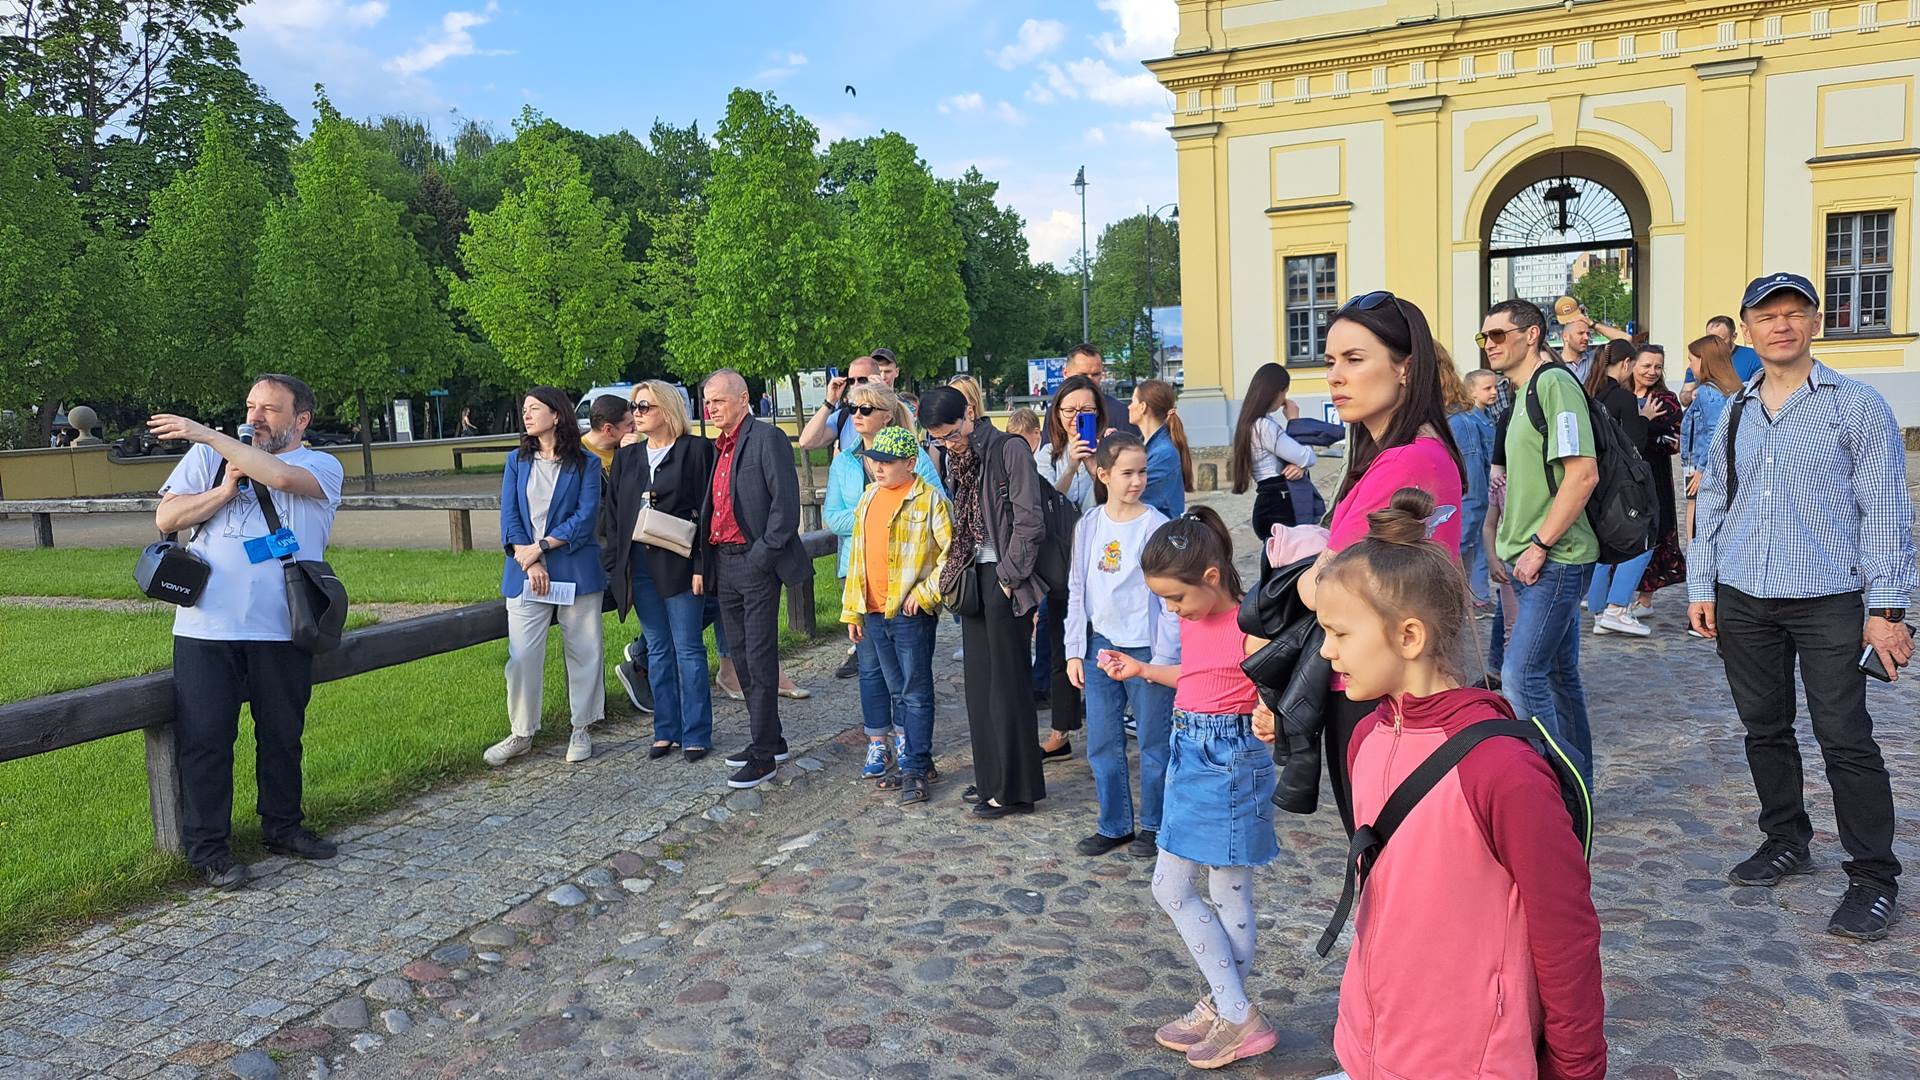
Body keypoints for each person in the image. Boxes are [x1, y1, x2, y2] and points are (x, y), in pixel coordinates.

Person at [1298, 488, 1606, 1080]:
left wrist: (1575, 1067)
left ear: (1408, 636)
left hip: (1467, 1057)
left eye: (1338, 633)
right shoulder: (1366, 738)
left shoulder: (1500, 769)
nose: (1327, 653)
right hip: (1371, 1039)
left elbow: (1564, 929)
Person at [1688, 272, 1916, 941]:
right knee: (1765, 728)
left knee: (1846, 738)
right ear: (1748, 331)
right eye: (1768, 317)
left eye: (1795, 313)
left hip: (1829, 598)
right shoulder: (1735, 411)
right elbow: (1716, 502)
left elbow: (1885, 511)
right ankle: (1786, 839)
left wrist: (1888, 608)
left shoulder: (1857, 405)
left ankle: (1873, 878)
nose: (1781, 326)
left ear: (1815, 323)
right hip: (1744, 595)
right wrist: (1703, 584)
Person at [148, 374, 345, 890]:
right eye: (251, 405)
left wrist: (208, 434)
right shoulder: (208, 460)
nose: (255, 416)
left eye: (270, 409)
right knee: (207, 740)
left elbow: (279, 479)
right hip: (205, 627)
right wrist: (221, 490)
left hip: (282, 628)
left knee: (281, 735)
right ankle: (209, 850)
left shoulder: (320, 465)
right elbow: (166, 516)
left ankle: (283, 827)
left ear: (300, 420)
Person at [1100, 508, 1277, 1069]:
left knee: (1211, 891)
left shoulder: (1250, 627)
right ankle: (1228, 1006)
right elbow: (1201, 677)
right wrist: (1144, 670)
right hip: (1190, 751)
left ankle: (1237, 1014)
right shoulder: (1195, 621)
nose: (1170, 610)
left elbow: (1274, 684)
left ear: (1211, 577)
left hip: (1228, 760)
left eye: (1175, 599)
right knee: (1187, 888)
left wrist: (1269, 712)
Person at [1293, 291, 1466, 834]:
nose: (1335, 377)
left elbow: (1324, 588)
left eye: (1354, 359)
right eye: (1329, 361)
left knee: (1382, 848)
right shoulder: (1409, 451)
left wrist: (1304, 570)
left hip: (1378, 685)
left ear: (1405, 370)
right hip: (1390, 675)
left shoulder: (1405, 460)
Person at [1480, 298, 1600, 790]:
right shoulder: (1521, 392)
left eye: (1498, 335)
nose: (1489, 345)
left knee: (1520, 677)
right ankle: (1580, 787)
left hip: (1555, 559)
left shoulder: (1552, 384)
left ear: (1531, 335)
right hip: (1533, 559)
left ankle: (1554, 788)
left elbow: (1582, 474)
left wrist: (1539, 544)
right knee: (1557, 675)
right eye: (1483, 338)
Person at [921, 385, 1049, 818]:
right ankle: (991, 778)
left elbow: (1030, 521)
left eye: (951, 433)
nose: (947, 443)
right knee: (980, 687)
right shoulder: (958, 457)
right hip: (973, 574)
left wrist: (1010, 579)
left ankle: (1016, 790)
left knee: (1008, 688)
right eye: (937, 439)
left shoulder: (1008, 449)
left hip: (1004, 575)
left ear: (970, 413)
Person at [700, 369, 815, 789]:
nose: (711, 409)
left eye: (718, 401)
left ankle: (764, 754)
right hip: (723, 562)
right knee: (741, 657)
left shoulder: (766, 439)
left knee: (760, 658)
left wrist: (761, 557)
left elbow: (785, 509)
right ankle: (770, 738)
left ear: (743, 398)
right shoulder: (719, 448)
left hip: (755, 562)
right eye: (707, 402)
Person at [822, 383, 943, 779]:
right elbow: (846, 532)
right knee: (880, 675)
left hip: (906, 596)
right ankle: (885, 744)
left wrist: (925, 589)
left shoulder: (920, 482)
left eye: (866, 408)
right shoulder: (864, 488)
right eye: (852, 407)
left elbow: (945, 539)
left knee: (913, 684)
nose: (856, 413)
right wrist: (852, 608)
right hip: (868, 596)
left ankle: (915, 756)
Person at [1066, 433, 1177, 857]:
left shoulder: (1156, 526)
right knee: (1103, 742)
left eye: (1143, 472)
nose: (1137, 481)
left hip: (1146, 650)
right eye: (1127, 473)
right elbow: (1077, 588)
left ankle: (1154, 824)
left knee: (1153, 742)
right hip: (1101, 646)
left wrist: (1164, 658)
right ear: (1103, 474)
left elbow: (1169, 602)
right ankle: (1114, 824)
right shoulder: (1090, 525)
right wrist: (1074, 649)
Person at [489, 387, 606, 768]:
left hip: (575, 569)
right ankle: (522, 732)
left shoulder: (586, 464)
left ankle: (582, 728)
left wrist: (542, 547)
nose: (526, 415)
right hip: (526, 572)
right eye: (523, 409)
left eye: (534, 408)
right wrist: (530, 560)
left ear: (557, 415)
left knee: (583, 651)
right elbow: (509, 518)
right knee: (522, 655)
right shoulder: (515, 462)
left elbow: (587, 517)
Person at [602, 380, 715, 763]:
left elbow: (707, 512)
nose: (636, 413)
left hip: (681, 565)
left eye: (644, 406)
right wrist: (615, 566)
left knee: (688, 649)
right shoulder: (628, 458)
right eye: (634, 406)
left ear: (666, 409)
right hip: (640, 567)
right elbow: (614, 515)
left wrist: (702, 565)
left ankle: (697, 732)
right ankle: (667, 729)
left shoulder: (696, 451)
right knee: (659, 650)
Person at [842, 425, 953, 805]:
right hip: (874, 611)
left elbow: (951, 556)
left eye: (888, 462)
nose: (879, 468)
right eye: (874, 460)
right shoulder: (869, 497)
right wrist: (853, 611)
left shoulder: (929, 500)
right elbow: (858, 557)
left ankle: (916, 769)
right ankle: (916, 760)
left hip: (909, 612)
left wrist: (925, 593)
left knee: (916, 691)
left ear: (910, 462)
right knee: (896, 690)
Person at [1033, 375, 1107, 753]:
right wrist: (1072, 465)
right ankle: (1060, 732)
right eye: (1070, 410)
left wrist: (1095, 464)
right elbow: (1046, 503)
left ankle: (1107, 723)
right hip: (1063, 564)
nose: (1077, 417)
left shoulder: (1112, 450)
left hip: (1105, 562)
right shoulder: (1045, 456)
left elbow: (1118, 500)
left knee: (1106, 642)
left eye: (1086, 410)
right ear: (1057, 413)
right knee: (1063, 643)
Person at [1580, 340, 1656, 637]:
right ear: (1626, 365)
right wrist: (1644, 419)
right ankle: (1616, 608)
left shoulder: (1588, 393)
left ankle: (1599, 609)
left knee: (1604, 542)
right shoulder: (1623, 398)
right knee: (1639, 538)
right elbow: (1635, 443)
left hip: (1592, 478)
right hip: (1620, 482)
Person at [1229, 363, 1324, 549]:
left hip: (1267, 501)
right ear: (1275, 392)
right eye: (1284, 393)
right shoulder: (1264, 426)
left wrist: (1299, 467)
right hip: (1280, 505)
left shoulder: (1248, 423)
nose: (1284, 399)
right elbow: (1307, 456)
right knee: (1292, 569)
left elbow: (1299, 459)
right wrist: (1295, 421)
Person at [1628, 345, 1684, 609]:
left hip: (1654, 473)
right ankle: (1615, 594)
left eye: (1657, 367)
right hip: (1622, 475)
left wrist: (1643, 427)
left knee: (1654, 530)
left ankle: (1644, 598)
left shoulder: (1667, 399)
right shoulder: (1621, 395)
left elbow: (1674, 441)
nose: (1652, 371)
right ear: (1632, 365)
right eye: (1646, 365)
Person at [1679, 333, 1741, 551]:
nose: (1690, 365)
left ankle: (1697, 557)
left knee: (1696, 510)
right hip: (1718, 462)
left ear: (1704, 361)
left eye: (1692, 359)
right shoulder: (1732, 387)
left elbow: (1715, 430)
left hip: (1702, 463)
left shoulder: (1708, 391)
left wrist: (1701, 469)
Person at [1443, 359, 1496, 610]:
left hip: (1484, 495)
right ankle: (1472, 597)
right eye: (1488, 388)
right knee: (1473, 544)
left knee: (1482, 545)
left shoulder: (1474, 420)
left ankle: (1478, 596)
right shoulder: (1466, 421)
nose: (1494, 392)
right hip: (1477, 497)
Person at [1129, 379, 1193, 520]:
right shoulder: (1144, 444)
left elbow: (1130, 493)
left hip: (1159, 533)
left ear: (1142, 407)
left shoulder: (1164, 453)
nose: (1129, 407)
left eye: (1133, 401)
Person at [798, 354, 878, 453]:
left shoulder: (890, 413)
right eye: (851, 381)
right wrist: (830, 402)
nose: (856, 386)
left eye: (862, 380)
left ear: (876, 380)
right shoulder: (843, 417)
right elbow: (806, 442)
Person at [1063, 342, 1141, 436]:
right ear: (1066, 374)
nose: (1089, 380)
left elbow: (1134, 449)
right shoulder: (1054, 413)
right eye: (1083, 375)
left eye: (1096, 374)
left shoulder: (1119, 413)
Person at [1550, 296, 1627, 381]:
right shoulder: (1552, 363)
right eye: (1580, 333)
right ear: (1565, 336)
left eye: (1588, 333)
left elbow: (1626, 339)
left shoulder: (1595, 359)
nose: (1586, 337)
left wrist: (1592, 323)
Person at [582, 395, 632, 473]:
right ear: (608, 429)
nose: (635, 428)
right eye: (630, 424)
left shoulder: (630, 447)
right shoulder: (575, 456)